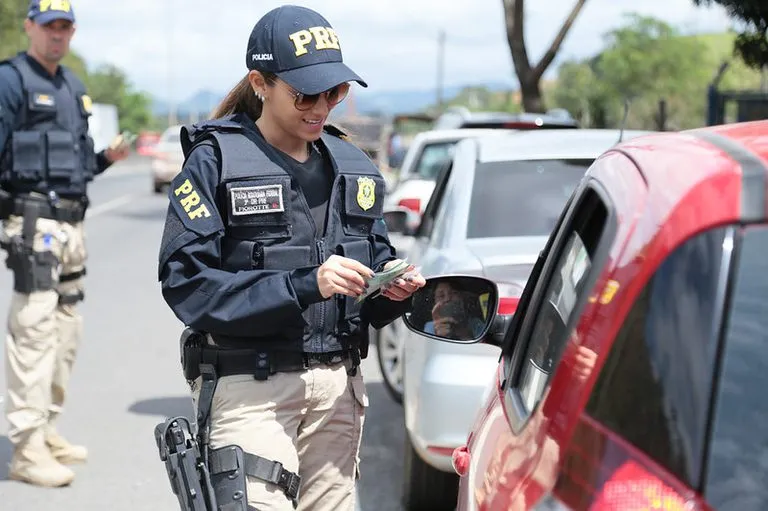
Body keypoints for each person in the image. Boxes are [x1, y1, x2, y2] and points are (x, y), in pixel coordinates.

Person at [157, 5, 425, 511]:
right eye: (305, 94)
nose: (322, 107)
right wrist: (305, 283)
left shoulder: (355, 167)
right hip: (252, 391)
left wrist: (392, 291)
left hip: (339, 393)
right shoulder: (216, 162)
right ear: (260, 83)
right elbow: (187, 284)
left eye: (335, 92)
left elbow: (372, 287)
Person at [0, 0, 129, 488]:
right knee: (33, 333)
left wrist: (107, 158)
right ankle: (26, 449)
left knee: (65, 332)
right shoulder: (10, 80)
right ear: (30, 27)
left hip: (73, 226)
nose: (57, 34)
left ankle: (46, 429)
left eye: (65, 27)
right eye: (49, 26)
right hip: (33, 226)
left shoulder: (73, 86)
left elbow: (77, 168)